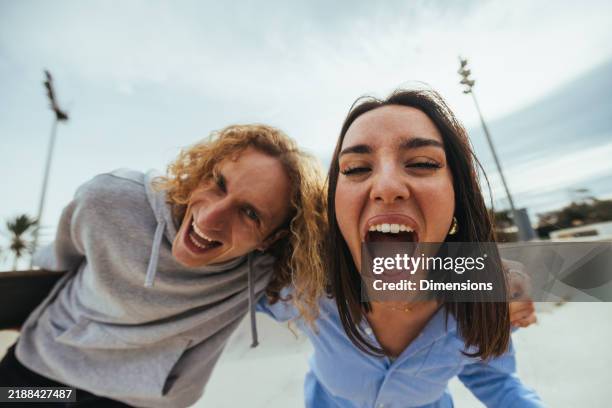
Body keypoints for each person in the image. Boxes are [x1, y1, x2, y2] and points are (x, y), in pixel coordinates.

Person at [0, 124, 326, 407]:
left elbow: (359, 268)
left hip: (132, 402)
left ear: (271, 239)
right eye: (218, 184)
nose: (211, 218)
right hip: (40, 373)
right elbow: (59, 263)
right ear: (201, 173)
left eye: (250, 213)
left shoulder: (267, 270)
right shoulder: (110, 200)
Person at [259, 89, 543, 407]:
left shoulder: (480, 301)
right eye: (355, 169)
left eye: (421, 163)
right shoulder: (303, 287)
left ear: (457, 198)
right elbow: (214, 275)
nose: (386, 187)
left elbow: (497, 382)